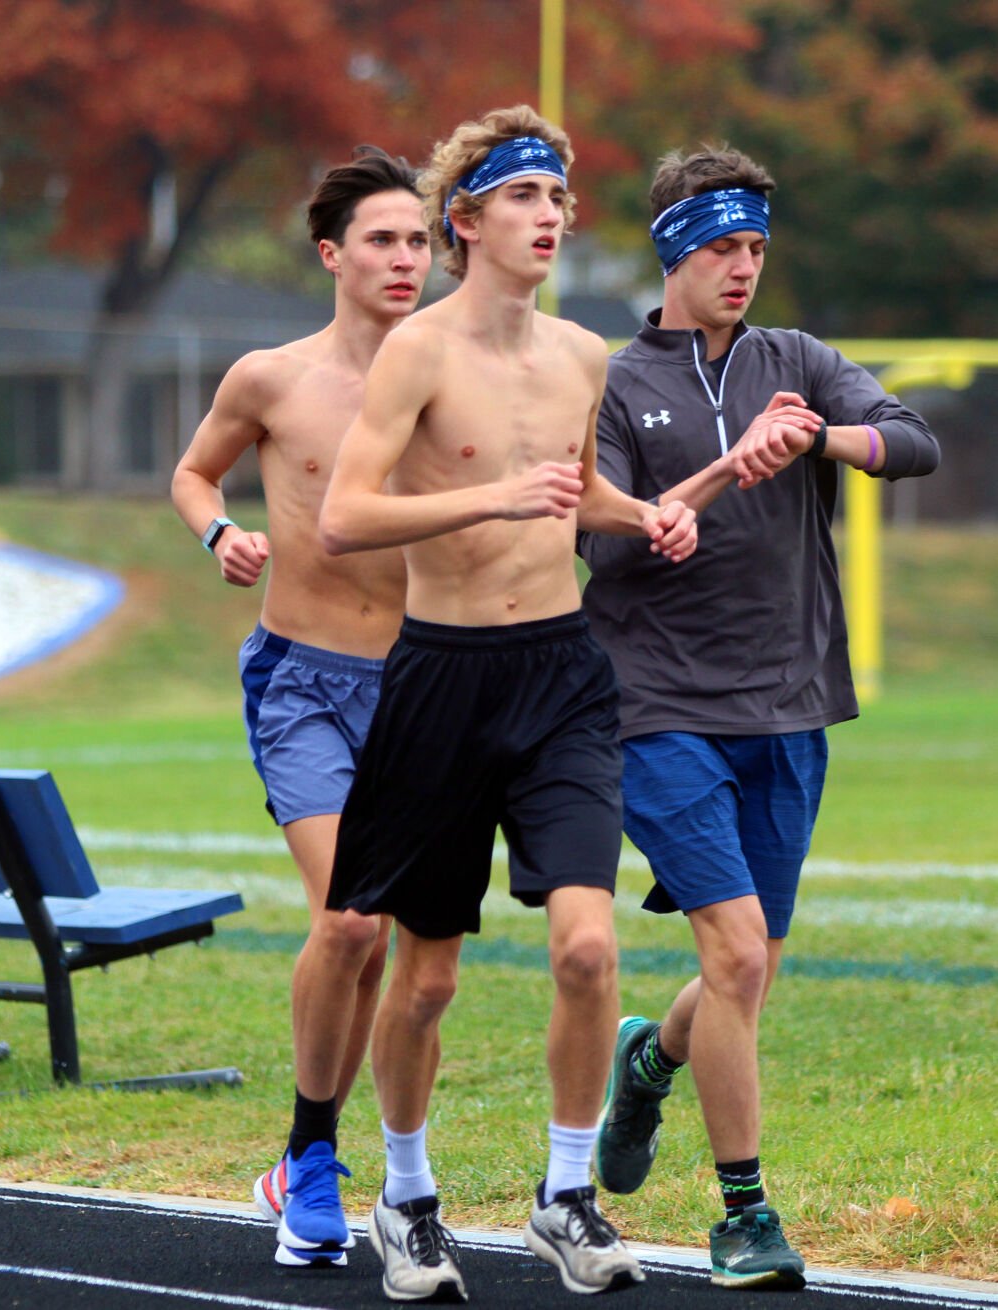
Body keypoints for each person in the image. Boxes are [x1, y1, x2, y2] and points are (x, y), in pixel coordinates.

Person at [318, 105, 698, 1303]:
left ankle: (565, 1193)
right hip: (440, 679)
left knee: (589, 946)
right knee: (425, 979)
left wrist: (643, 515)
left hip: (561, 677)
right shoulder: (416, 352)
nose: (551, 217)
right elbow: (345, 516)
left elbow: (572, 490)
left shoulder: (585, 355)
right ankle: (407, 1194)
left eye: (562, 197)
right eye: (528, 197)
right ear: (466, 220)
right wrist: (479, 505)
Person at [580, 146, 939, 1289]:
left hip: (789, 704)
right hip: (659, 705)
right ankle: (745, 1211)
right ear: (676, 250)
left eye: (755, 250)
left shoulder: (799, 361)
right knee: (734, 950)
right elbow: (595, 536)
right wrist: (703, 487)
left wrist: (818, 438)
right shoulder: (613, 381)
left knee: (749, 970)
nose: (743, 269)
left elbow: (911, 444)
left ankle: (649, 1058)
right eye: (723, 248)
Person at [171, 148, 430, 1269]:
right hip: (304, 681)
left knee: (392, 950)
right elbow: (193, 473)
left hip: (425, 687)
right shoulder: (270, 377)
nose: (406, 258)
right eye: (383, 239)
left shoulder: (455, 374)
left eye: (421, 239)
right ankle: (312, 1156)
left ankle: (360, 1163)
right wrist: (219, 531)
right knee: (350, 922)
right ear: (332, 254)